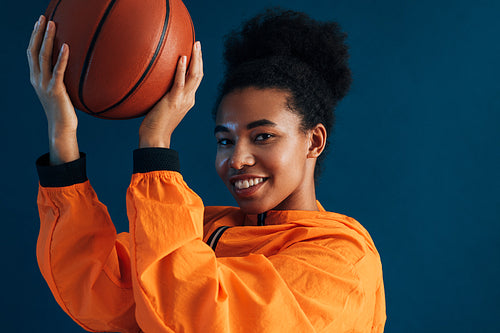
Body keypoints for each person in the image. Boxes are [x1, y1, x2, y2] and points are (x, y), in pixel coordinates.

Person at [29, 8, 386, 333]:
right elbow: (100, 295)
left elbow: (195, 316)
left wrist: (155, 143)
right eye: (225, 140)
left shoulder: (341, 261)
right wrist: (62, 136)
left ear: (314, 141)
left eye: (263, 136)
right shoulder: (202, 229)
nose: (237, 159)